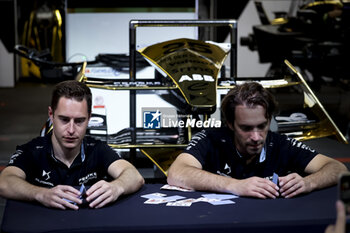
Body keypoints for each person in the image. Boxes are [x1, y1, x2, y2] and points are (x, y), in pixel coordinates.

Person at [167, 82, 347, 199]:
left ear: (269, 120)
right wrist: (235, 186)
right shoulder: (210, 139)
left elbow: (338, 168)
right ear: (230, 123)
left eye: (261, 126)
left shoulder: (281, 144)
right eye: (246, 128)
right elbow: (176, 173)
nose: (255, 137)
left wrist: (308, 182)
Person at [0, 80, 144, 209]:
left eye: (79, 121)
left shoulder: (97, 149)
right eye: (64, 119)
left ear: (89, 118)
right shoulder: (33, 150)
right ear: (51, 114)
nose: (71, 130)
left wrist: (116, 187)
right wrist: (40, 194)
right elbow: (4, 182)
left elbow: (135, 176)